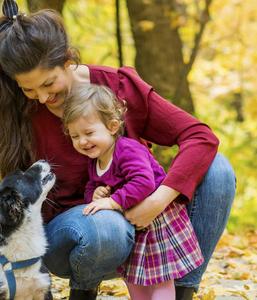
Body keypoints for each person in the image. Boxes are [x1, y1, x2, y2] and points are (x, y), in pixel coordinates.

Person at [0, 0, 236, 299]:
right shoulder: (16, 111)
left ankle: (182, 290)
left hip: (146, 223)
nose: (42, 98)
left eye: (48, 83)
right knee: (106, 225)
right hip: (73, 236)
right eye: (29, 89)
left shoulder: (116, 87)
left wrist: (159, 200)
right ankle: (84, 290)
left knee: (219, 169)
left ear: (68, 62)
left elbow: (200, 136)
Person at [62, 84, 204, 299]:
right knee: (133, 277)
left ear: (112, 126)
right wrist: (95, 194)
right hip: (132, 224)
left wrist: (111, 202)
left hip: (157, 221)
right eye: (75, 136)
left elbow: (143, 182)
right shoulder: (95, 161)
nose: (82, 141)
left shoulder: (127, 150)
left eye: (89, 133)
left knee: (161, 277)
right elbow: (92, 184)